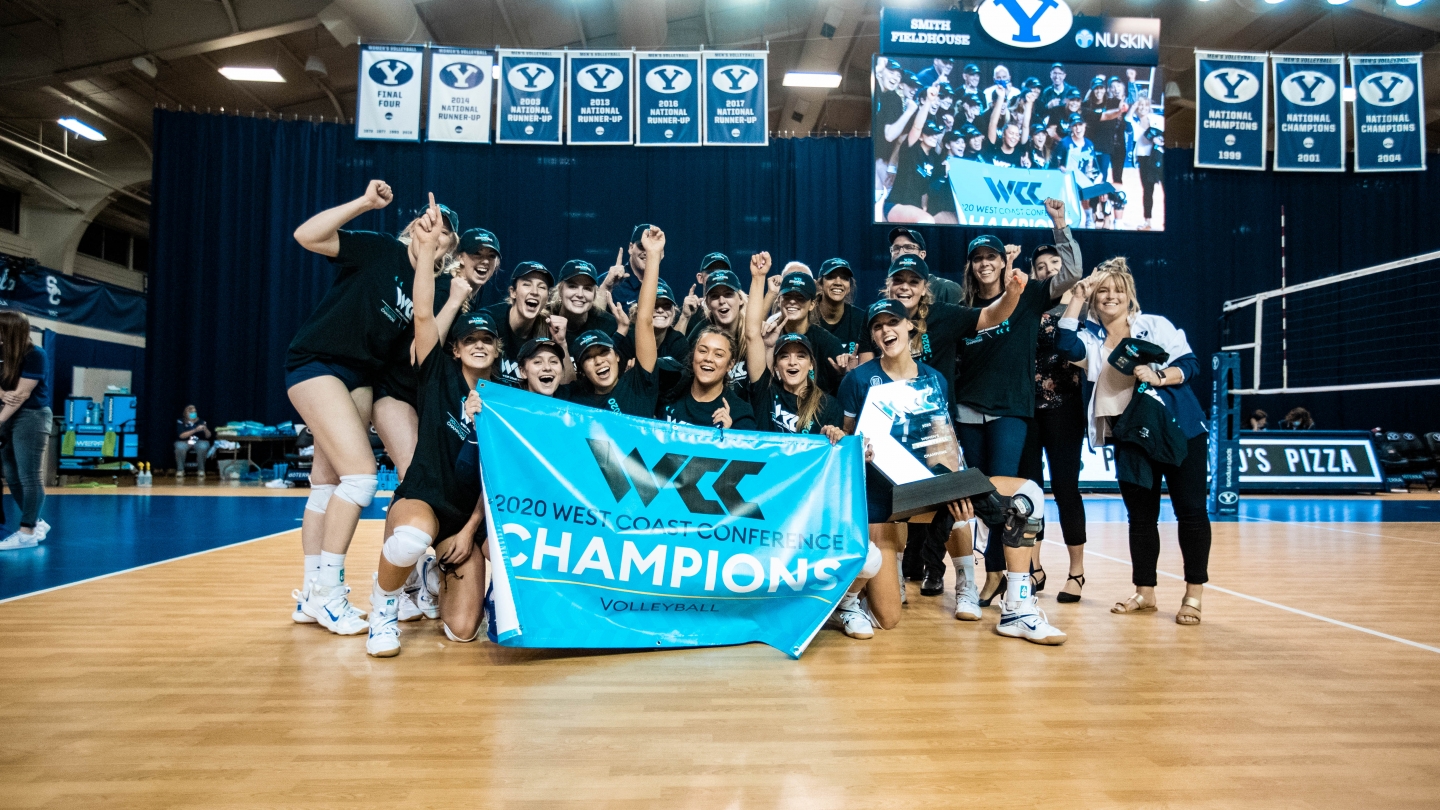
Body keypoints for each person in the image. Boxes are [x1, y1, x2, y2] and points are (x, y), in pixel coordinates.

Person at [287, 180, 456, 635]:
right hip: (319, 361)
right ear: (414, 228)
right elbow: (307, 236)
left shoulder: (432, 292)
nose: (433, 232)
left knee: (326, 483)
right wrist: (363, 202)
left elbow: (421, 352)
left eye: (443, 234)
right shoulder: (381, 249)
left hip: (360, 378)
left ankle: (309, 594)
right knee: (362, 476)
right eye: (429, 224)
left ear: (446, 253)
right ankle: (328, 592)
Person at [366, 198, 494, 657]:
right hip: (425, 499)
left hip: (463, 522)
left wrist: (470, 532)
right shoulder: (436, 374)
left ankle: (437, 575)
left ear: (496, 353)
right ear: (456, 348)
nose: (479, 346)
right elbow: (423, 313)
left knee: (462, 630)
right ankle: (382, 608)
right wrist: (424, 253)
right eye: (470, 340)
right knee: (410, 538)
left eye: (487, 341)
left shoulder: (501, 400)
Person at [1056, 263, 1211, 626]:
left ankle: (1193, 595)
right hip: (1131, 436)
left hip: (1179, 429)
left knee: (1190, 512)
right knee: (1141, 518)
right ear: (1094, 298)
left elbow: (1190, 364)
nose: (1111, 297)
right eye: (1103, 291)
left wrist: (1158, 376)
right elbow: (1064, 344)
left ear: (1130, 295)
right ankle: (1145, 592)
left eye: (1118, 290)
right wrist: (1076, 297)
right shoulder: (1090, 339)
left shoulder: (1154, 325)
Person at [955, 201, 1081, 611]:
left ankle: (1003, 577)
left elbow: (1073, 273)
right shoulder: (963, 309)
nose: (985, 264)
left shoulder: (1028, 298)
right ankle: (988, 574)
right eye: (978, 259)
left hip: (1010, 411)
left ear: (1002, 262)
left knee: (1001, 496)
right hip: (969, 411)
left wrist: (1059, 224)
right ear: (972, 266)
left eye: (992, 256)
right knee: (976, 494)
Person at [879, 253, 1026, 605]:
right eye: (899, 280)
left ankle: (966, 581)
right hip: (892, 431)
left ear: (925, 288)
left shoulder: (942, 316)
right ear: (889, 285)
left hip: (936, 430)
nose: (905, 287)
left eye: (914, 281)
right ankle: (896, 575)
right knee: (892, 504)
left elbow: (992, 316)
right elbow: (869, 372)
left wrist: (1012, 293)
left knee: (956, 499)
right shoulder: (879, 319)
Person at [1017, 243, 1089, 603]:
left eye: (1053, 264)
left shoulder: (1078, 311)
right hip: (1027, 412)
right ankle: (1034, 568)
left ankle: (1076, 573)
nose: (1047, 270)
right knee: (1030, 494)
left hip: (1065, 411)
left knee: (1065, 490)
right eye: (1040, 266)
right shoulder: (1027, 306)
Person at [566, 227, 667, 417]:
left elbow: (645, 321)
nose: (598, 361)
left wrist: (653, 254)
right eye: (588, 357)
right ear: (581, 370)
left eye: (604, 351)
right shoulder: (574, 401)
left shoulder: (638, 385)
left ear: (617, 356)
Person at [0, 311, 51, 550]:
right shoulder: (3, 353)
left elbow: (21, 396)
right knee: (11, 474)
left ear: (10, 331)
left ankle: (27, 532)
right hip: (9, 415)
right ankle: (36, 521)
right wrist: (2, 394)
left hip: (32, 416)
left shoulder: (35, 355)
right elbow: (6, 392)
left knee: (29, 475)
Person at [659, 324, 757, 430]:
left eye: (718, 354)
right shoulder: (669, 392)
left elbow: (746, 445)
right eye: (702, 351)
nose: (708, 358)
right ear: (693, 356)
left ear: (730, 365)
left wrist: (728, 436)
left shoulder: (740, 413)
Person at [482, 261, 560, 387]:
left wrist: (562, 342)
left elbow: (565, 387)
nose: (535, 291)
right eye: (527, 284)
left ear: (547, 298)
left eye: (541, 287)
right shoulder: (488, 320)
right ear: (513, 292)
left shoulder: (549, 329)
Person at [885, 86, 945, 224]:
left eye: (935, 133)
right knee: (926, 220)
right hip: (897, 204)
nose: (933, 136)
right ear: (920, 137)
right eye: (929, 133)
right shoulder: (910, 148)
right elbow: (917, 127)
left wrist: (924, 207)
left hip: (916, 210)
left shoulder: (934, 159)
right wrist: (929, 102)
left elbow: (925, 191)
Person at [683, 268, 750, 388]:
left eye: (728, 294)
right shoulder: (699, 334)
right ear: (707, 304)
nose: (722, 301)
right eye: (714, 296)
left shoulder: (752, 333)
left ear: (740, 299)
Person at [551, 259, 619, 357]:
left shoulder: (608, 325)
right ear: (560, 290)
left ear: (594, 295)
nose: (580, 294)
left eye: (587, 288)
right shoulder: (544, 320)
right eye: (573, 286)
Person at [613, 279, 689, 365]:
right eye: (653, 305)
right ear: (639, 311)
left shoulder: (678, 342)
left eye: (666, 305)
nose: (660, 310)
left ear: (674, 312)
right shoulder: (628, 339)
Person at [812, 258, 868, 363]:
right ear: (820, 284)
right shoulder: (807, 316)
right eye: (831, 277)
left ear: (850, 286)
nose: (838, 282)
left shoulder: (861, 320)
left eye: (844, 278)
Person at [600, 224, 665, 311]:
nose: (647, 252)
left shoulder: (663, 287)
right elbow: (591, 319)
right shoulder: (608, 281)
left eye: (653, 249)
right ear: (631, 248)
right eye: (642, 247)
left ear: (662, 254)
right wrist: (606, 287)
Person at [1127, 96, 1164, 230]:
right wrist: (1134, 104)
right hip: (1144, 158)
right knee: (1148, 191)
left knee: (1166, 190)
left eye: (1145, 105)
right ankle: (1147, 221)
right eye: (1140, 105)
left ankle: (1168, 222)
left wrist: (1160, 140)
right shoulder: (1134, 120)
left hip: (1159, 156)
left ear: (1149, 106)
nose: (1143, 107)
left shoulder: (1158, 119)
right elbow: (1127, 118)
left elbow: (1166, 134)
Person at [455, 228, 506, 310]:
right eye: (477, 253)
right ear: (460, 257)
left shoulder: (478, 287)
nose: (485, 261)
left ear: (497, 263)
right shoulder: (445, 288)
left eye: (491, 256)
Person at [174, 405, 212, 480]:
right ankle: (180, 470)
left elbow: (208, 436)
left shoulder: (201, 421)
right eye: (191, 412)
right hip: (184, 441)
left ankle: (201, 470)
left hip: (199, 441)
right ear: (185, 413)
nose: (193, 413)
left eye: (194, 412)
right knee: (179, 447)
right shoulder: (181, 421)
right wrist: (195, 430)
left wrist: (205, 429)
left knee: (203, 447)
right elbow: (181, 436)